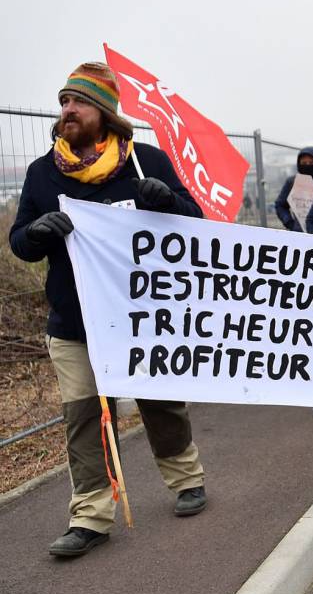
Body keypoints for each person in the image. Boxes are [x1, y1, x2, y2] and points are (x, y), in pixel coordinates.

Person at [9, 62, 209, 557]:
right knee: (83, 417)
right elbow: (19, 242)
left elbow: (197, 224)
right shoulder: (41, 173)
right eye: (62, 102)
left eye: (77, 102)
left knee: (158, 400)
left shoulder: (146, 163)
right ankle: (91, 516)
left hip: (141, 317)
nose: (66, 110)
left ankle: (186, 480)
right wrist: (35, 235)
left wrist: (167, 204)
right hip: (73, 323)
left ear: (104, 111)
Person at [274, 146, 313, 232]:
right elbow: (280, 205)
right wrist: (290, 223)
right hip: (301, 234)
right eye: (303, 163)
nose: (307, 166)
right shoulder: (292, 182)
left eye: (311, 163)